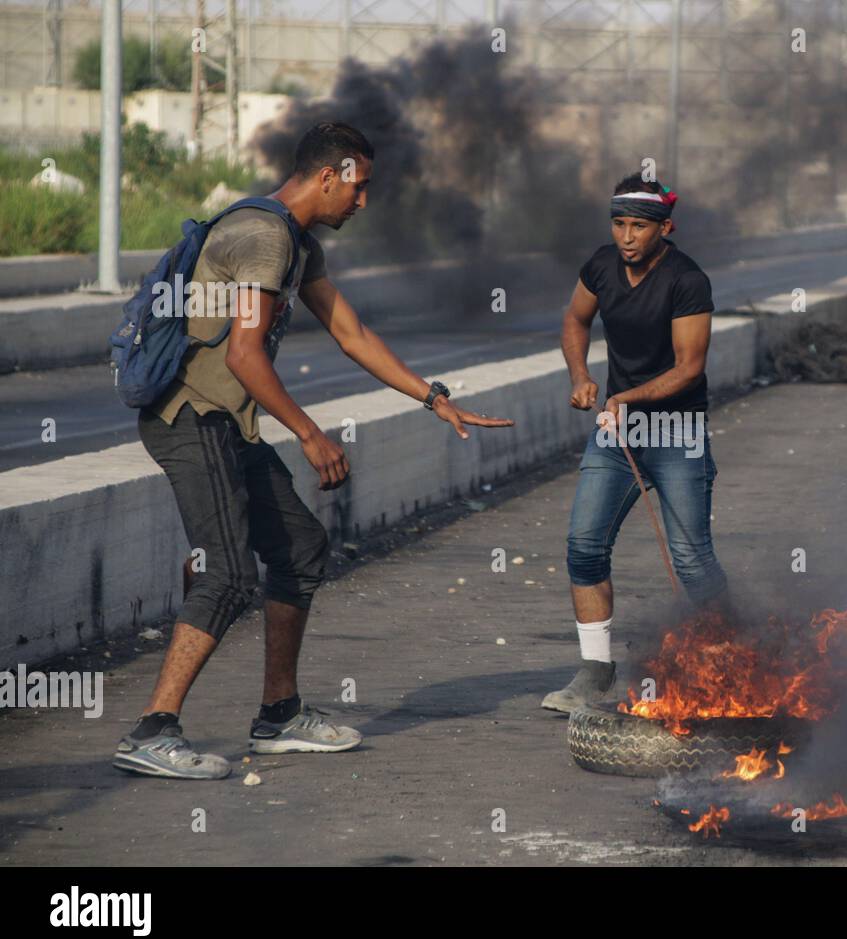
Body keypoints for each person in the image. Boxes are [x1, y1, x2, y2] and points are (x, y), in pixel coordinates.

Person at [114, 122, 513, 779]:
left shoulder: (295, 245)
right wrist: (308, 432)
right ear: (330, 176)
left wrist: (432, 396)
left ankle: (279, 715)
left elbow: (349, 331)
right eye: (359, 189)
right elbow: (244, 354)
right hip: (190, 420)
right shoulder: (261, 235)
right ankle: (152, 730)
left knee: (300, 547)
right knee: (227, 574)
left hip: (228, 425)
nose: (362, 203)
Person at [541, 175, 729, 713]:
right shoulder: (601, 265)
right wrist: (580, 375)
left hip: (676, 432)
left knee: (692, 562)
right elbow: (575, 321)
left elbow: (690, 369)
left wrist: (628, 398)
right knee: (584, 546)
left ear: (664, 228)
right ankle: (595, 672)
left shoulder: (687, 280)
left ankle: (733, 648)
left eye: (639, 227)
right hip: (618, 433)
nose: (627, 236)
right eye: (619, 224)